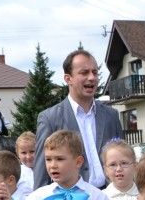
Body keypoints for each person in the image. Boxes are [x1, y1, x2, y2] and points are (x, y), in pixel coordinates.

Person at [33, 49, 122, 190]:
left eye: (95, 72)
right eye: (84, 72)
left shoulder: (111, 116)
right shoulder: (50, 118)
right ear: (68, 79)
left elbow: (122, 158)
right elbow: (41, 174)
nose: (92, 77)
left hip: (109, 199)